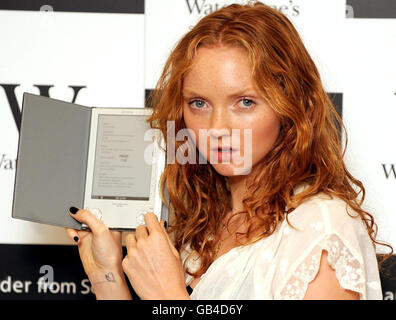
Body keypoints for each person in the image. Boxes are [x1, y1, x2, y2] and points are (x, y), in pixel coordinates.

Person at [66, 2, 391, 300]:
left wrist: (168, 295)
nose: (217, 127)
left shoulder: (321, 225)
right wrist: (105, 275)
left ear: (290, 104)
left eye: (245, 102)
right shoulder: (200, 220)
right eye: (198, 103)